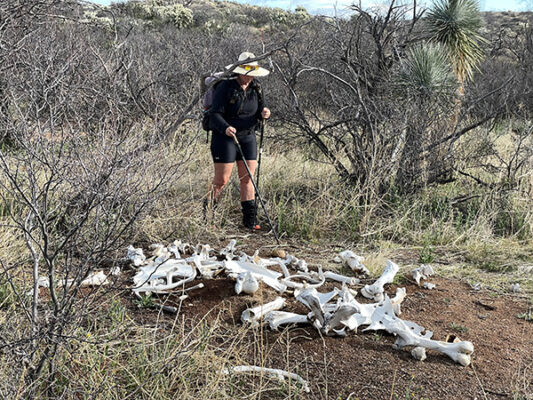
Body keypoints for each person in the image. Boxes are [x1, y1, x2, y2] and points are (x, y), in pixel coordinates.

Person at [206, 52, 271, 229]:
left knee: (247, 178)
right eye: (246, 71)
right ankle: (208, 218)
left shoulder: (256, 87)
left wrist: (265, 113)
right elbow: (215, 114)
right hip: (224, 137)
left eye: (252, 72)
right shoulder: (225, 87)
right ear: (239, 71)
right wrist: (226, 128)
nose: (249, 76)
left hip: (247, 136)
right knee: (221, 180)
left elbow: (260, 111)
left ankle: (250, 222)